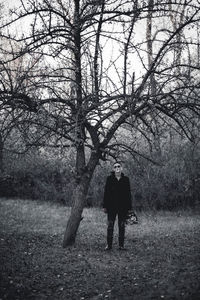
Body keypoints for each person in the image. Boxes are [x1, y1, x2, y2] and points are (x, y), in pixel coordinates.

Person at [103, 161, 132, 250]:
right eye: (115, 167)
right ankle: (109, 245)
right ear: (113, 169)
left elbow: (128, 194)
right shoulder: (109, 179)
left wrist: (129, 208)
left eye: (119, 166)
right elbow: (106, 193)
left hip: (123, 207)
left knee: (122, 226)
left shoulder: (126, 179)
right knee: (110, 225)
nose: (117, 168)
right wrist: (104, 206)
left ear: (121, 168)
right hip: (111, 207)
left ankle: (121, 245)